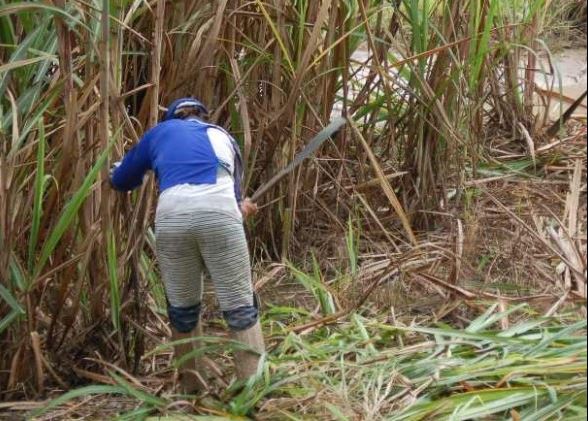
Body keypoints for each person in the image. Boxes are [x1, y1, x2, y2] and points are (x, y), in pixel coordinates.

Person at [110, 97, 264, 392]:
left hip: (172, 217)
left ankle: (192, 389)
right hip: (220, 215)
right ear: (203, 117)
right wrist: (239, 208)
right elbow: (233, 199)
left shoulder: (160, 132)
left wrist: (114, 173)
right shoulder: (223, 136)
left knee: (182, 308)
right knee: (239, 305)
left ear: (172, 118)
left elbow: (121, 180)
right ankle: (253, 389)